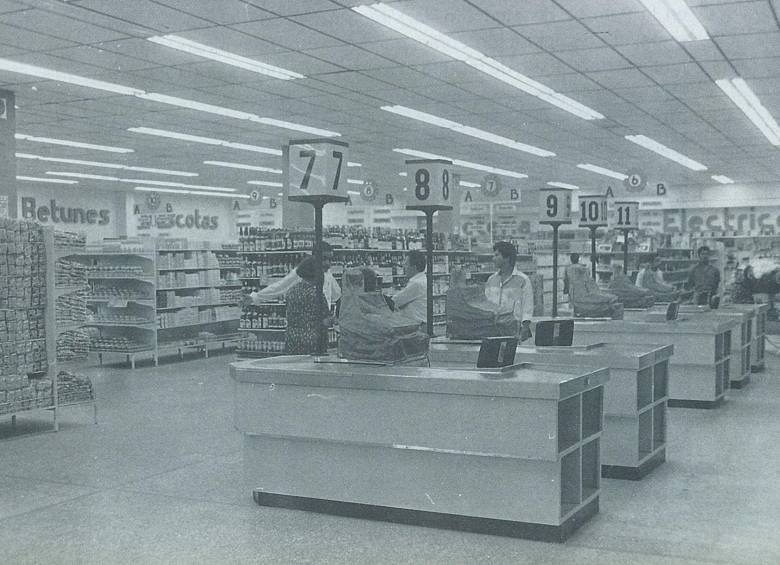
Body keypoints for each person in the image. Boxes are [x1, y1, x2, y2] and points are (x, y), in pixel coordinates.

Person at [248, 242, 341, 308]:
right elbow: (280, 286)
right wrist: (256, 297)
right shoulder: (302, 272)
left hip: (322, 326)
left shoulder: (328, 274)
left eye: (330, 259)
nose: (328, 263)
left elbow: (338, 296)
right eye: (324, 259)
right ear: (314, 258)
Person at [485, 241, 534, 341]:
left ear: (507, 258)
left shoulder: (522, 280)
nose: (493, 259)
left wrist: (525, 328)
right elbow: (486, 305)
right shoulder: (491, 280)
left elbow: (527, 307)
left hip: (513, 330)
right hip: (492, 330)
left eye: (496, 255)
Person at [284, 257, 331, 355]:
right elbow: (325, 321)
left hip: (292, 338)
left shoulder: (291, 291)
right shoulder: (316, 294)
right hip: (312, 340)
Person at [387, 250, 428, 324]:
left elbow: (395, 301)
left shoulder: (416, 283)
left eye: (406, 264)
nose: (404, 267)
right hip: (418, 323)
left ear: (414, 267)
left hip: (417, 326)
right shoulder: (421, 279)